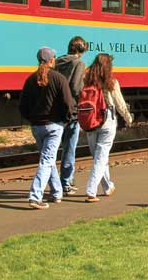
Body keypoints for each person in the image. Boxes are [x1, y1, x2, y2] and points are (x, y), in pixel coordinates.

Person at [18, 46, 76, 209]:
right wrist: (66, 120)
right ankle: (35, 196)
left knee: (47, 160)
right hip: (54, 126)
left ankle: (57, 193)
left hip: (37, 127)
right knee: (46, 160)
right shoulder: (59, 79)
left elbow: (22, 106)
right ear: (52, 60)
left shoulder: (30, 80)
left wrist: (32, 120)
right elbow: (68, 103)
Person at [82, 53, 134, 202]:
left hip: (90, 121)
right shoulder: (112, 82)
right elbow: (120, 103)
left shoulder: (86, 81)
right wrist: (128, 117)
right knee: (101, 157)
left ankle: (107, 187)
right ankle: (91, 190)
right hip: (107, 121)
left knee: (98, 157)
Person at [55, 36, 88, 194]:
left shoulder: (56, 63)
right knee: (69, 148)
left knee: (53, 149)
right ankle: (66, 183)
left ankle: (55, 183)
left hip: (55, 110)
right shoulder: (79, 63)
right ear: (81, 50)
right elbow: (76, 88)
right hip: (71, 111)